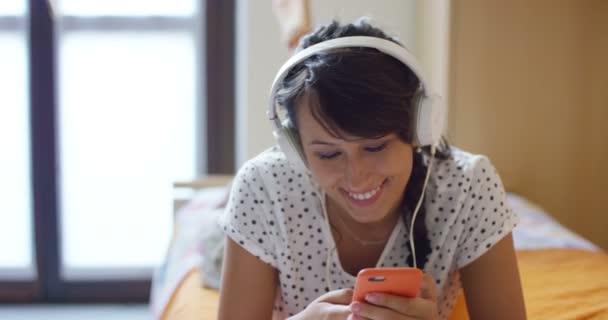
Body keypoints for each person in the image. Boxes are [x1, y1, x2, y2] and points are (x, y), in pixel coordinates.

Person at [217, 18, 526, 320]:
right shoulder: (263, 187)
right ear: (295, 150)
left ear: (419, 129)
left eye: (375, 147)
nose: (357, 176)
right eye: (327, 154)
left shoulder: (469, 186)